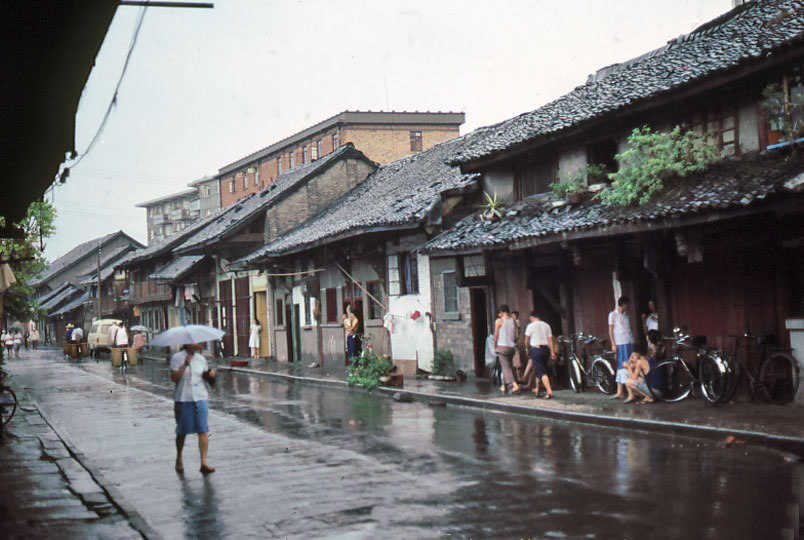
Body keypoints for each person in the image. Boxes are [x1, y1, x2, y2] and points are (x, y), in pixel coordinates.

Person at [170, 343, 215, 474]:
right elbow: (174, 378)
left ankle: (203, 462)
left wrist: (211, 375)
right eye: (194, 342)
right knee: (182, 432)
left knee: (203, 429)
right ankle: (179, 458)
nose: (197, 345)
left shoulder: (201, 359)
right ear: (187, 343)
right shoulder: (177, 358)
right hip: (183, 399)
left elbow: (206, 377)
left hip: (201, 397)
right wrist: (184, 365)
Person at [523, 311, 557, 399]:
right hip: (545, 349)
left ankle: (549, 391)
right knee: (540, 369)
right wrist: (552, 352)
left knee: (542, 371)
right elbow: (550, 340)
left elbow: (526, 340)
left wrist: (527, 349)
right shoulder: (546, 325)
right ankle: (537, 389)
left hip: (536, 349)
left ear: (532, 318)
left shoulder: (530, 326)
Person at [608, 296, 635, 401]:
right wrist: (613, 344)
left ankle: (624, 392)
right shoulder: (613, 315)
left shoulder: (626, 315)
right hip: (620, 343)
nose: (628, 307)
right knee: (622, 366)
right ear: (622, 304)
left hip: (628, 342)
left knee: (628, 365)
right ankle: (623, 392)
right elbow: (610, 330)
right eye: (627, 304)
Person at [493, 304, 521, 394]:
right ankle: (503, 386)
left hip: (502, 346)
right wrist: (514, 341)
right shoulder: (514, 321)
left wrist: (495, 347)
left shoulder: (499, 321)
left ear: (501, 312)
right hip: (511, 347)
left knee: (505, 367)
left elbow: (496, 335)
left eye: (499, 313)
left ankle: (514, 384)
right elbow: (517, 335)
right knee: (509, 366)